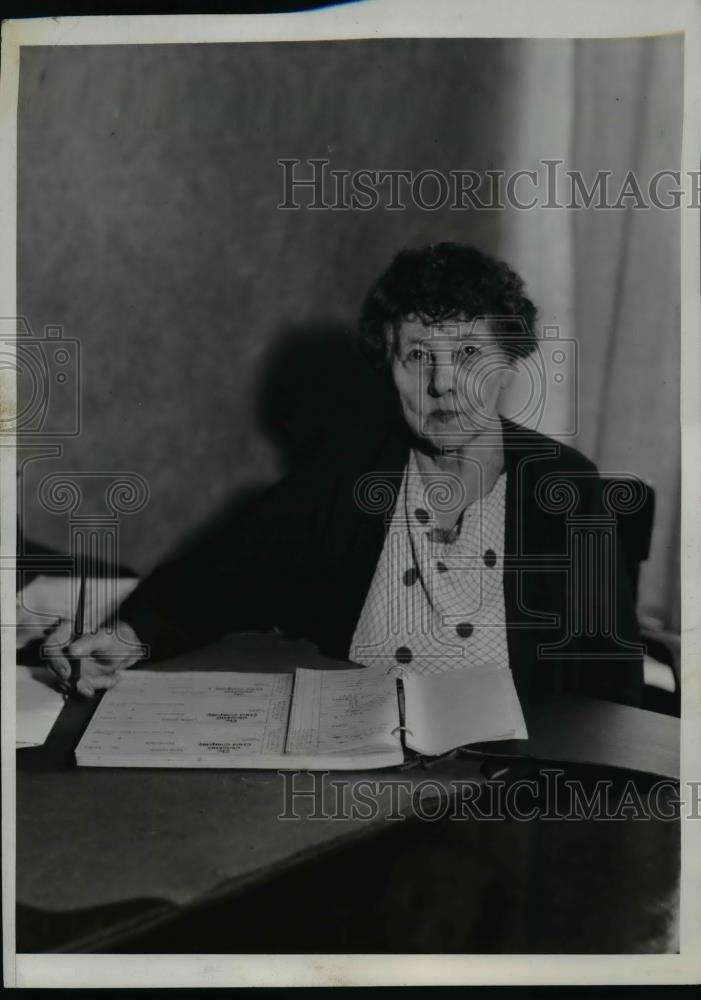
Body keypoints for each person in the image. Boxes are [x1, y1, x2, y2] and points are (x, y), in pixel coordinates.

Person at [44, 242, 644, 706]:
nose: (441, 384)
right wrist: (126, 637)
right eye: (417, 356)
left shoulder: (563, 489)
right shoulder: (352, 468)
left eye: (467, 353)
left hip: (503, 786)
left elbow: (608, 690)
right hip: (359, 774)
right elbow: (222, 574)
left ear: (509, 361)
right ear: (388, 366)